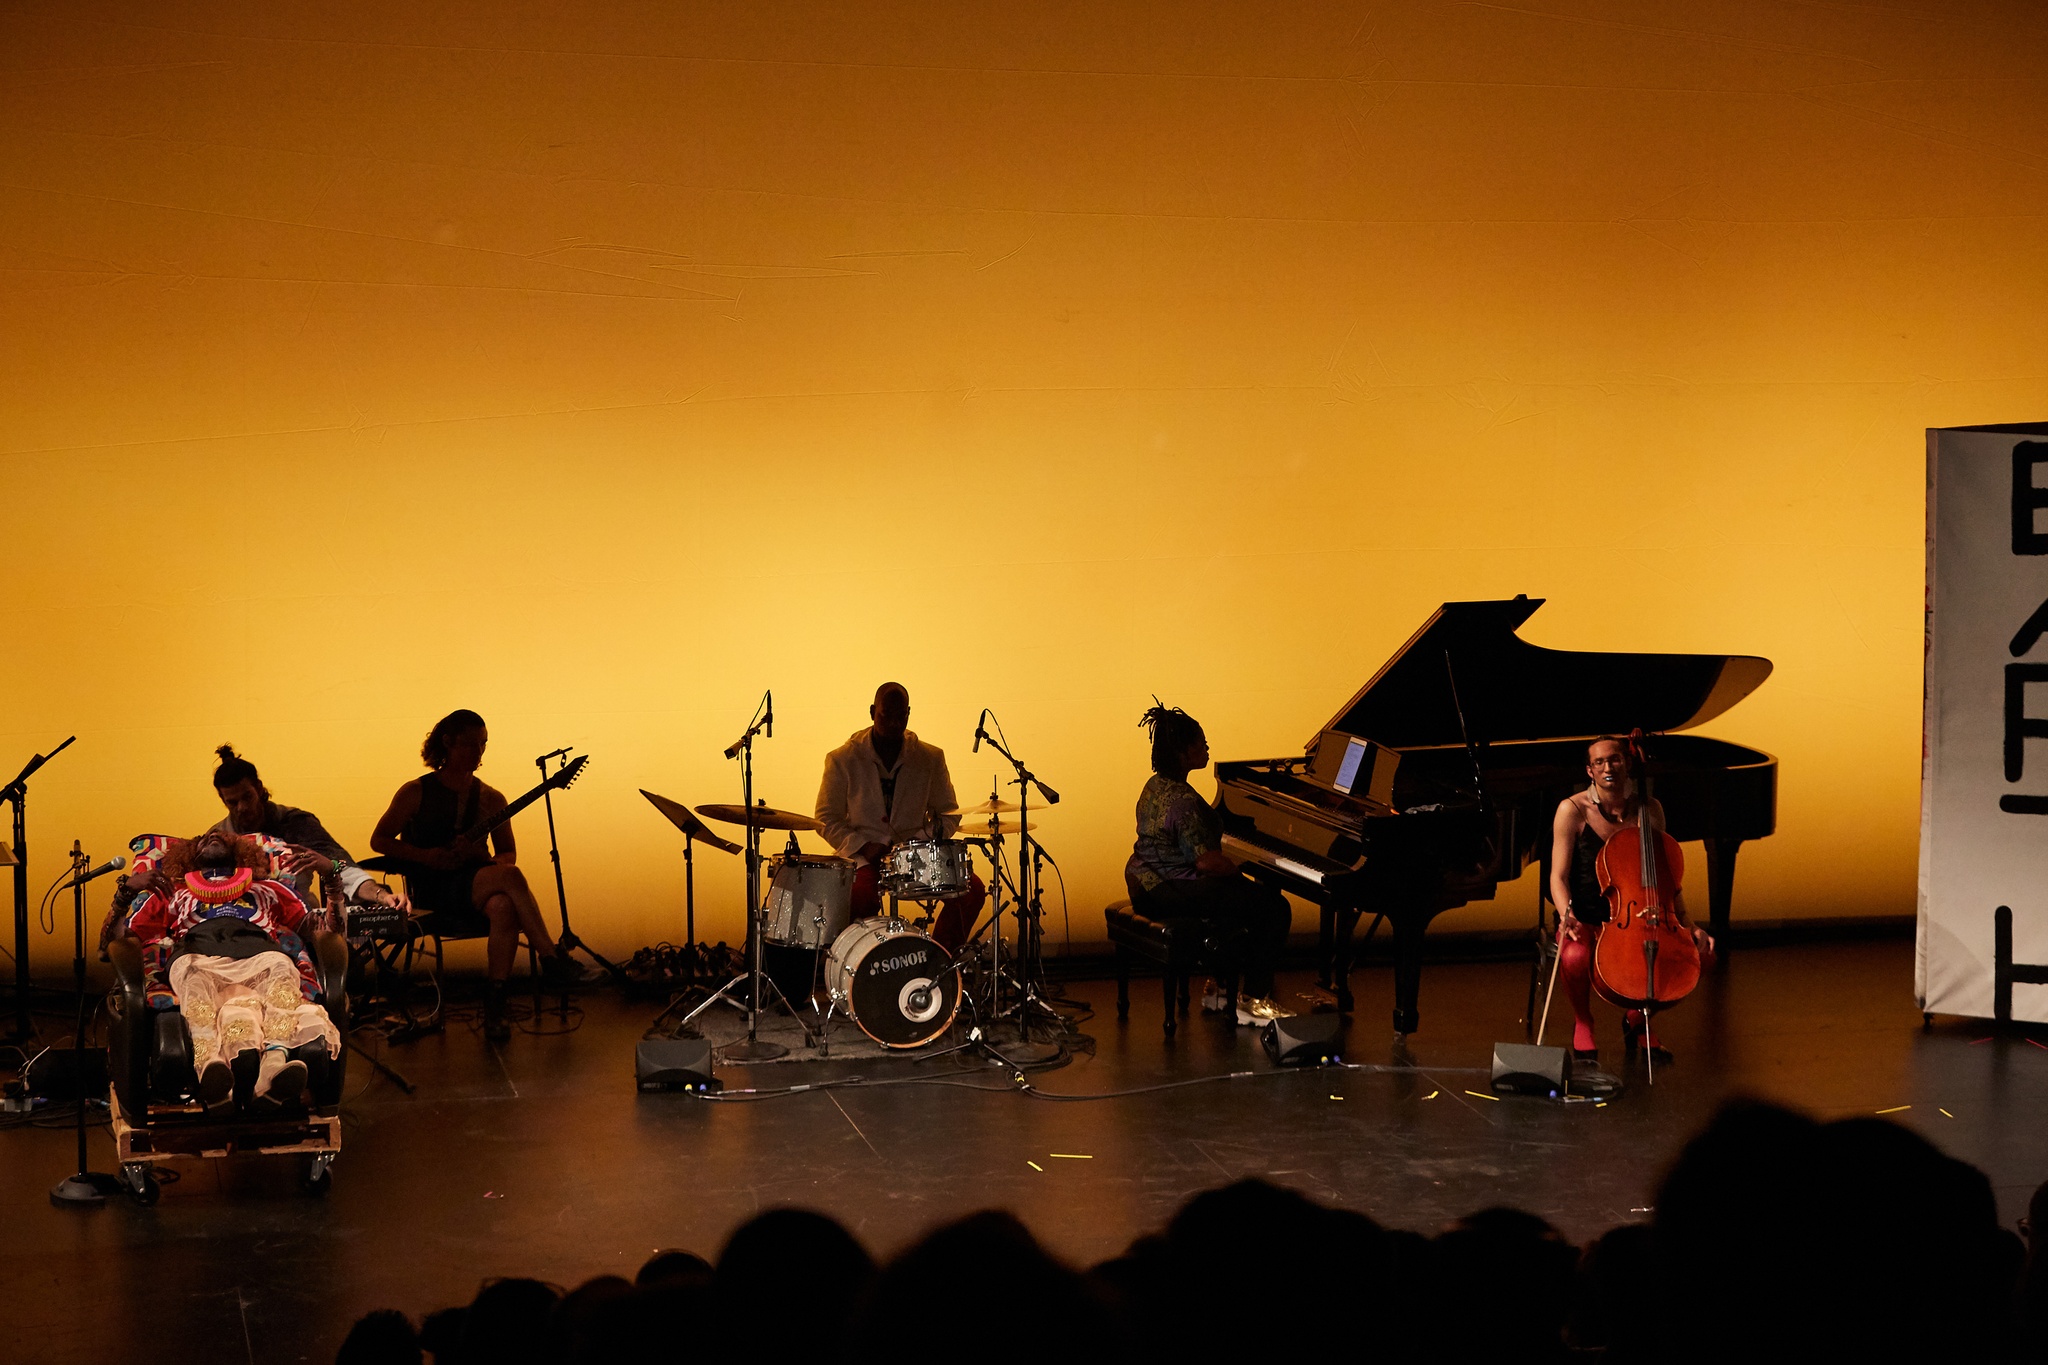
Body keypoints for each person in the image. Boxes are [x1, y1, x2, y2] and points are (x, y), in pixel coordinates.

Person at [369, 710, 589, 1042]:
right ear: (447, 743)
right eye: (471, 744)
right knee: (510, 881)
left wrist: (479, 855)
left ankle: (497, 1004)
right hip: (432, 889)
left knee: (503, 904)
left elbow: (506, 855)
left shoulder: (491, 798)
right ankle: (550, 959)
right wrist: (425, 855)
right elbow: (379, 840)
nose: (479, 753)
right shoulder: (415, 792)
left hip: (475, 883)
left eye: (483, 744)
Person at [124, 829, 340, 1111]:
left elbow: (327, 932)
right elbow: (115, 941)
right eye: (203, 838)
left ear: (240, 852)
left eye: (222, 837)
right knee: (191, 976)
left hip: (261, 955)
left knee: (282, 969)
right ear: (190, 857)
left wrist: (332, 878)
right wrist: (127, 890)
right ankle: (209, 1070)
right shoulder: (172, 892)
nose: (213, 835)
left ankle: (273, 1067)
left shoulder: (268, 888)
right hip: (197, 956)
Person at [1548, 735, 1713, 1061]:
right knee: (1574, 957)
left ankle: (1638, 1019)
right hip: (1586, 918)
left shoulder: (1650, 810)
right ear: (1590, 770)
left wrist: (1690, 925)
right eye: (1599, 762)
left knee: (1700, 954)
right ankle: (1584, 1022)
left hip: (1641, 917)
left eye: (1615, 759)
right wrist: (1566, 915)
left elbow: (1667, 881)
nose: (1608, 767)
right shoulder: (1572, 810)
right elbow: (1558, 876)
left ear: (1628, 763)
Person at [1126, 703, 1292, 1022]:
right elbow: (1206, 864)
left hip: (1145, 882)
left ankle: (1217, 988)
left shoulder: (1155, 785)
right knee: (1274, 908)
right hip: (1171, 889)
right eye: (1201, 743)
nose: (1206, 747)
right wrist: (1244, 861)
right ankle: (1253, 1002)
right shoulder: (1185, 803)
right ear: (1184, 753)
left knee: (1236, 899)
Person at [816, 683, 986, 954]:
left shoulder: (930, 757)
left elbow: (950, 814)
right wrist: (863, 846)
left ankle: (937, 961)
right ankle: (862, 967)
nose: (894, 723)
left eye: (901, 716)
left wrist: (919, 842)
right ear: (873, 712)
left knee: (971, 890)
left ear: (908, 714)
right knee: (859, 898)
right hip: (863, 855)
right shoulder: (843, 759)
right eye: (886, 715)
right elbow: (826, 817)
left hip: (915, 856)